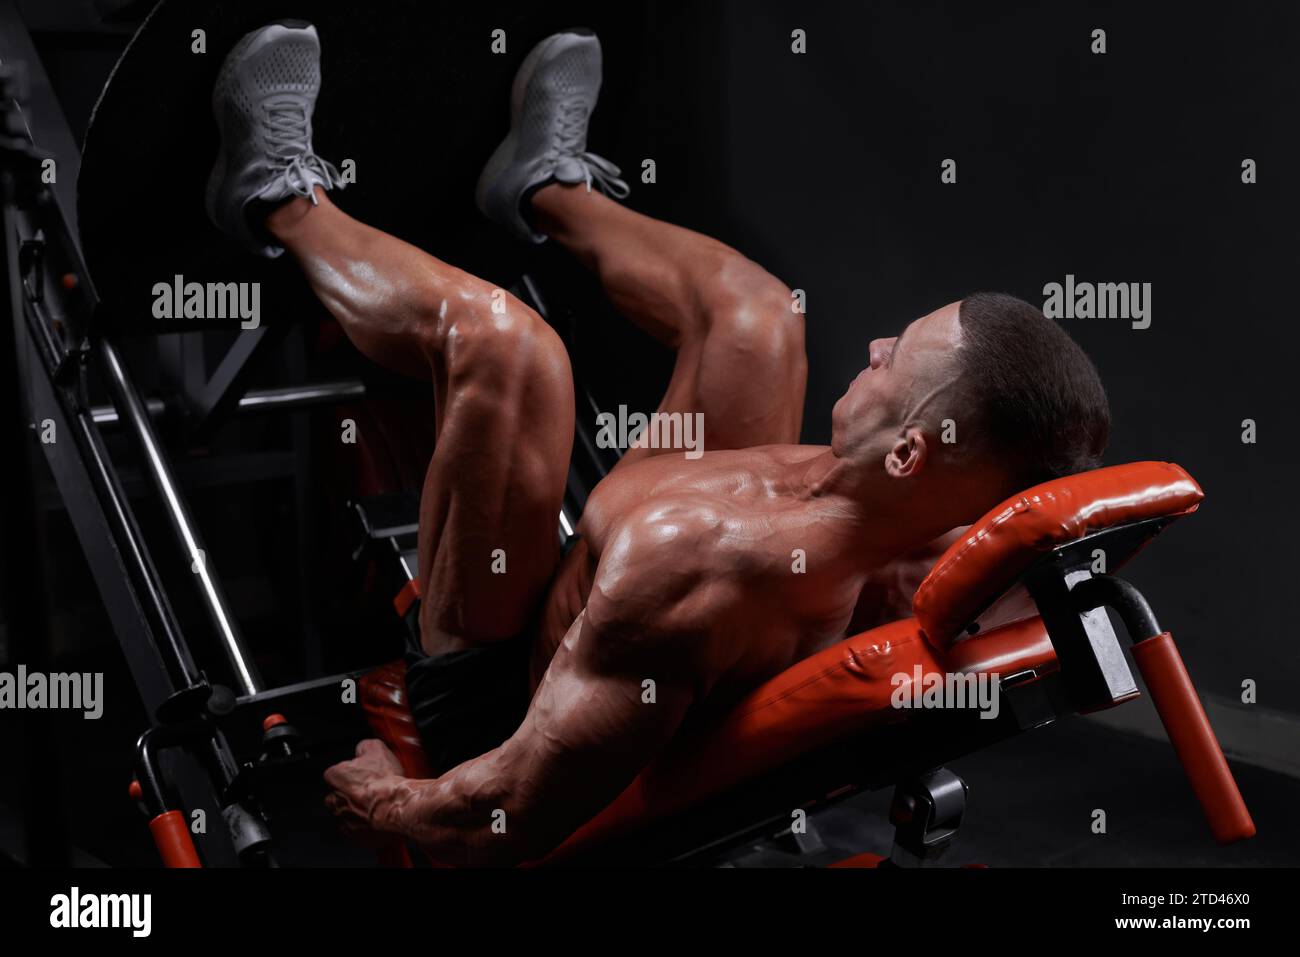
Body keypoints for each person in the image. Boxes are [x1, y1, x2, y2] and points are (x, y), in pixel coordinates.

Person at [206, 22, 1110, 864]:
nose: (873, 349)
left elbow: (505, 810)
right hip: (644, 586)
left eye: (895, 362)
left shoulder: (700, 569)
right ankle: (543, 186)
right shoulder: (939, 513)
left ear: (911, 453)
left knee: (507, 345)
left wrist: (384, 801)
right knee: (758, 317)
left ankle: (276, 198)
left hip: (501, 700)